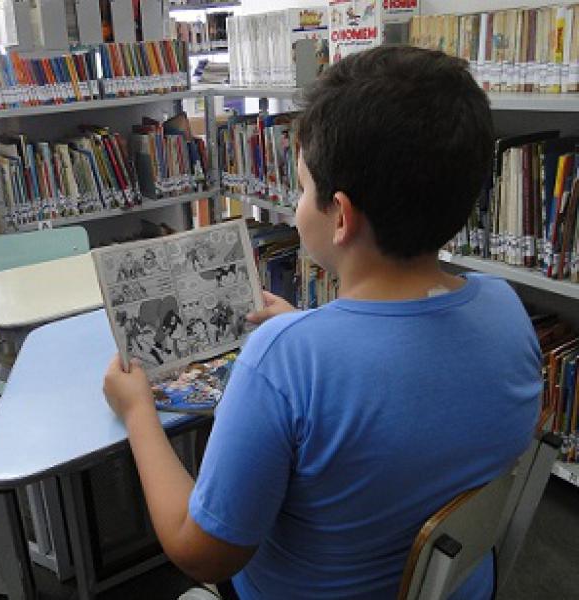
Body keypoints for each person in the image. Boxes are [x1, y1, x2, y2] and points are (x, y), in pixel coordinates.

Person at [103, 46, 541, 599]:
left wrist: (139, 413)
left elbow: (201, 554)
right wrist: (310, 328)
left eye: (304, 188)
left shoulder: (284, 359)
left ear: (341, 216)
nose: (296, 204)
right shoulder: (506, 309)